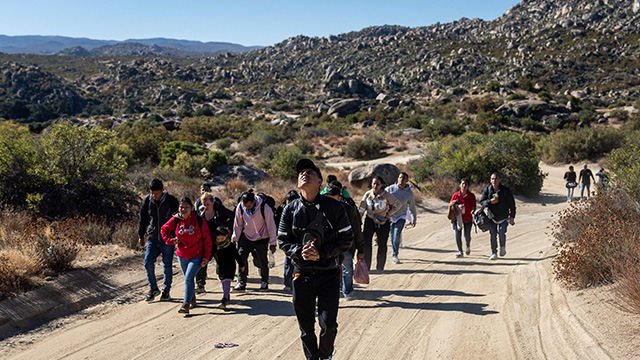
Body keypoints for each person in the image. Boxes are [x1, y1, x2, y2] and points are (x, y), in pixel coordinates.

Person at [278, 158, 354, 360]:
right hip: (301, 275)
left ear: (320, 181)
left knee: (329, 325)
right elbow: (282, 240)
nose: (304, 173)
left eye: (310, 171)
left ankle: (326, 355)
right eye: (301, 172)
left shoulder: (334, 207)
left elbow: (347, 237)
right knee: (306, 329)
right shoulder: (290, 210)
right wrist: (299, 251)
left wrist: (322, 253)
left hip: (328, 273)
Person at [160, 197, 212, 314]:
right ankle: (192, 298)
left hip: (197, 255)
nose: (183, 209)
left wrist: (206, 257)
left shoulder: (199, 220)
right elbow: (164, 229)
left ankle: (186, 304)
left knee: (188, 277)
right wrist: (170, 240)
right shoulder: (176, 219)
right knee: (188, 279)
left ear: (191, 208)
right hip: (182, 255)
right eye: (181, 207)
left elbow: (208, 240)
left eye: (186, 207)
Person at [138, 178, 179, 302]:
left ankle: (166, 291)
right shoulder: (147, 200)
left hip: (168, 239)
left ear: (163, 190)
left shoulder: (171, 201)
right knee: (147, 263)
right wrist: (141, 235)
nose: (154, 196)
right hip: (153, 238)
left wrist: (177, 236)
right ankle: (153, 289)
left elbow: (178, 219)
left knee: (167, 265)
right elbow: (143, 218)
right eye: (152, 193)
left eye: (156, 193)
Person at [232, 191, 278, 291]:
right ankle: (241, 282)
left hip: (262, 237)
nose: (247, 208)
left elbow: (271, 226)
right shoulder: (240, 207)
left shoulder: (264, 208)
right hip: (246, 236)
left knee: (262, 260)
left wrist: (272, 243)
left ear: (253, 202)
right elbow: (238, 224)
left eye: (249, 205)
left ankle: (264, 281)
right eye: (245, 206)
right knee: (241, 257)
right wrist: (235, 238)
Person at [325, 182, 364, 300]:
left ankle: (347, 291)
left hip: (346, 244)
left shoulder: (348, 209)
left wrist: (360, 248)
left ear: (339, 197)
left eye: (333, 198)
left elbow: (356, 229)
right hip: (329, 245)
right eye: (328, 198)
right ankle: (332, 292)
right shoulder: (322, 209)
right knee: (329, 269)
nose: (330, 201)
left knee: (347, 269)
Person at [359, 176, 401, 272]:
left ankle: (380, 268)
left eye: (377, 184)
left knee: (382, 244)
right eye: (373, 184)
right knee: (366, 244)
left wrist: (389, 214)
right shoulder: (367, 195)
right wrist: (358, 220)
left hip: (383, 222)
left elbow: (398, 204)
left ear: (382, 185)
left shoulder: (386, 195)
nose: (375, 186)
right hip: (370, 220)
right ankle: (367, 267)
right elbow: (361, 208)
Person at [195, 192, 234, 293]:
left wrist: (227, 230)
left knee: (222, 262)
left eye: (208, 204)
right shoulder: (200, 213)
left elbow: (233, 216)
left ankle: (224, 282)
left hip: (218, 242)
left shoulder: (220, 210)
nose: (205, 206)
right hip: (206, 242)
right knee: (202, 263)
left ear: (213, 202)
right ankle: (200, 285)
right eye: (203, 204)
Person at [480, 173, 516, 260]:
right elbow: (482, 202)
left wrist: (512, 216)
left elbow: (512, 204)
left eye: (496, 179)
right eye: (492, 179)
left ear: (499, 180)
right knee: (493, 235)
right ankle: (494, 253)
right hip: (492, 218)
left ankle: (502, 246)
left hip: (504, 217)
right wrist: (490, 202)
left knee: (501, 233)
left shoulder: (505, 190)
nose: (494, 181)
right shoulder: (488, 190)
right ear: (490, 180)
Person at [385, 172, 417, 264]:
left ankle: (395, 255)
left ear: (407, 181)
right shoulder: (390, 189)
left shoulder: (409, 193)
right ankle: (395, 251)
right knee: (391, 235)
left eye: (403, 178)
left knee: (397, 234)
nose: (401, 180)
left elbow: (412, 207)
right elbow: (383, 197)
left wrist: (414, 219)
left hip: (401, 216)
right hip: (390, 216)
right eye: (400, 178)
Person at [212, 226, 245, 310]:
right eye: (218, 239)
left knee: (227, 280)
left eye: (222, 239)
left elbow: (237, 256)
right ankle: (226, 294)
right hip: (221, 267)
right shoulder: (215, 246)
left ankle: (224, 298)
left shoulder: (230, 246)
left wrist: (241, 265)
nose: (219, 241)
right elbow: (210, 254)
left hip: (230, 266)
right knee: (223, 281)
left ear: (226, 236)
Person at [275, 190, 301, 292]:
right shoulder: (282, 209)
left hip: (298, 239)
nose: (289, 205)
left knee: (298, 262)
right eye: (287, 203)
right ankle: (288, 283)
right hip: (288, 239)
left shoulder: (302, 209)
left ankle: (297, 282)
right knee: (288, 262)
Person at [449, 178, 476, 257]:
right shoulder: (455, 195)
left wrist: (473, 211)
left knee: (467, 235)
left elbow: (474, 206)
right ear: (460, 185)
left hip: (468, 218)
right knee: (458, 234)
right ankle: (460, 251)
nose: (464, 186)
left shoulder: (471, 196)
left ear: (468, 186)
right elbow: (451, 204)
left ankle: (468, 245)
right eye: (463, 184)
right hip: (457, 218)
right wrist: (457, 206)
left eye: (466, 184)